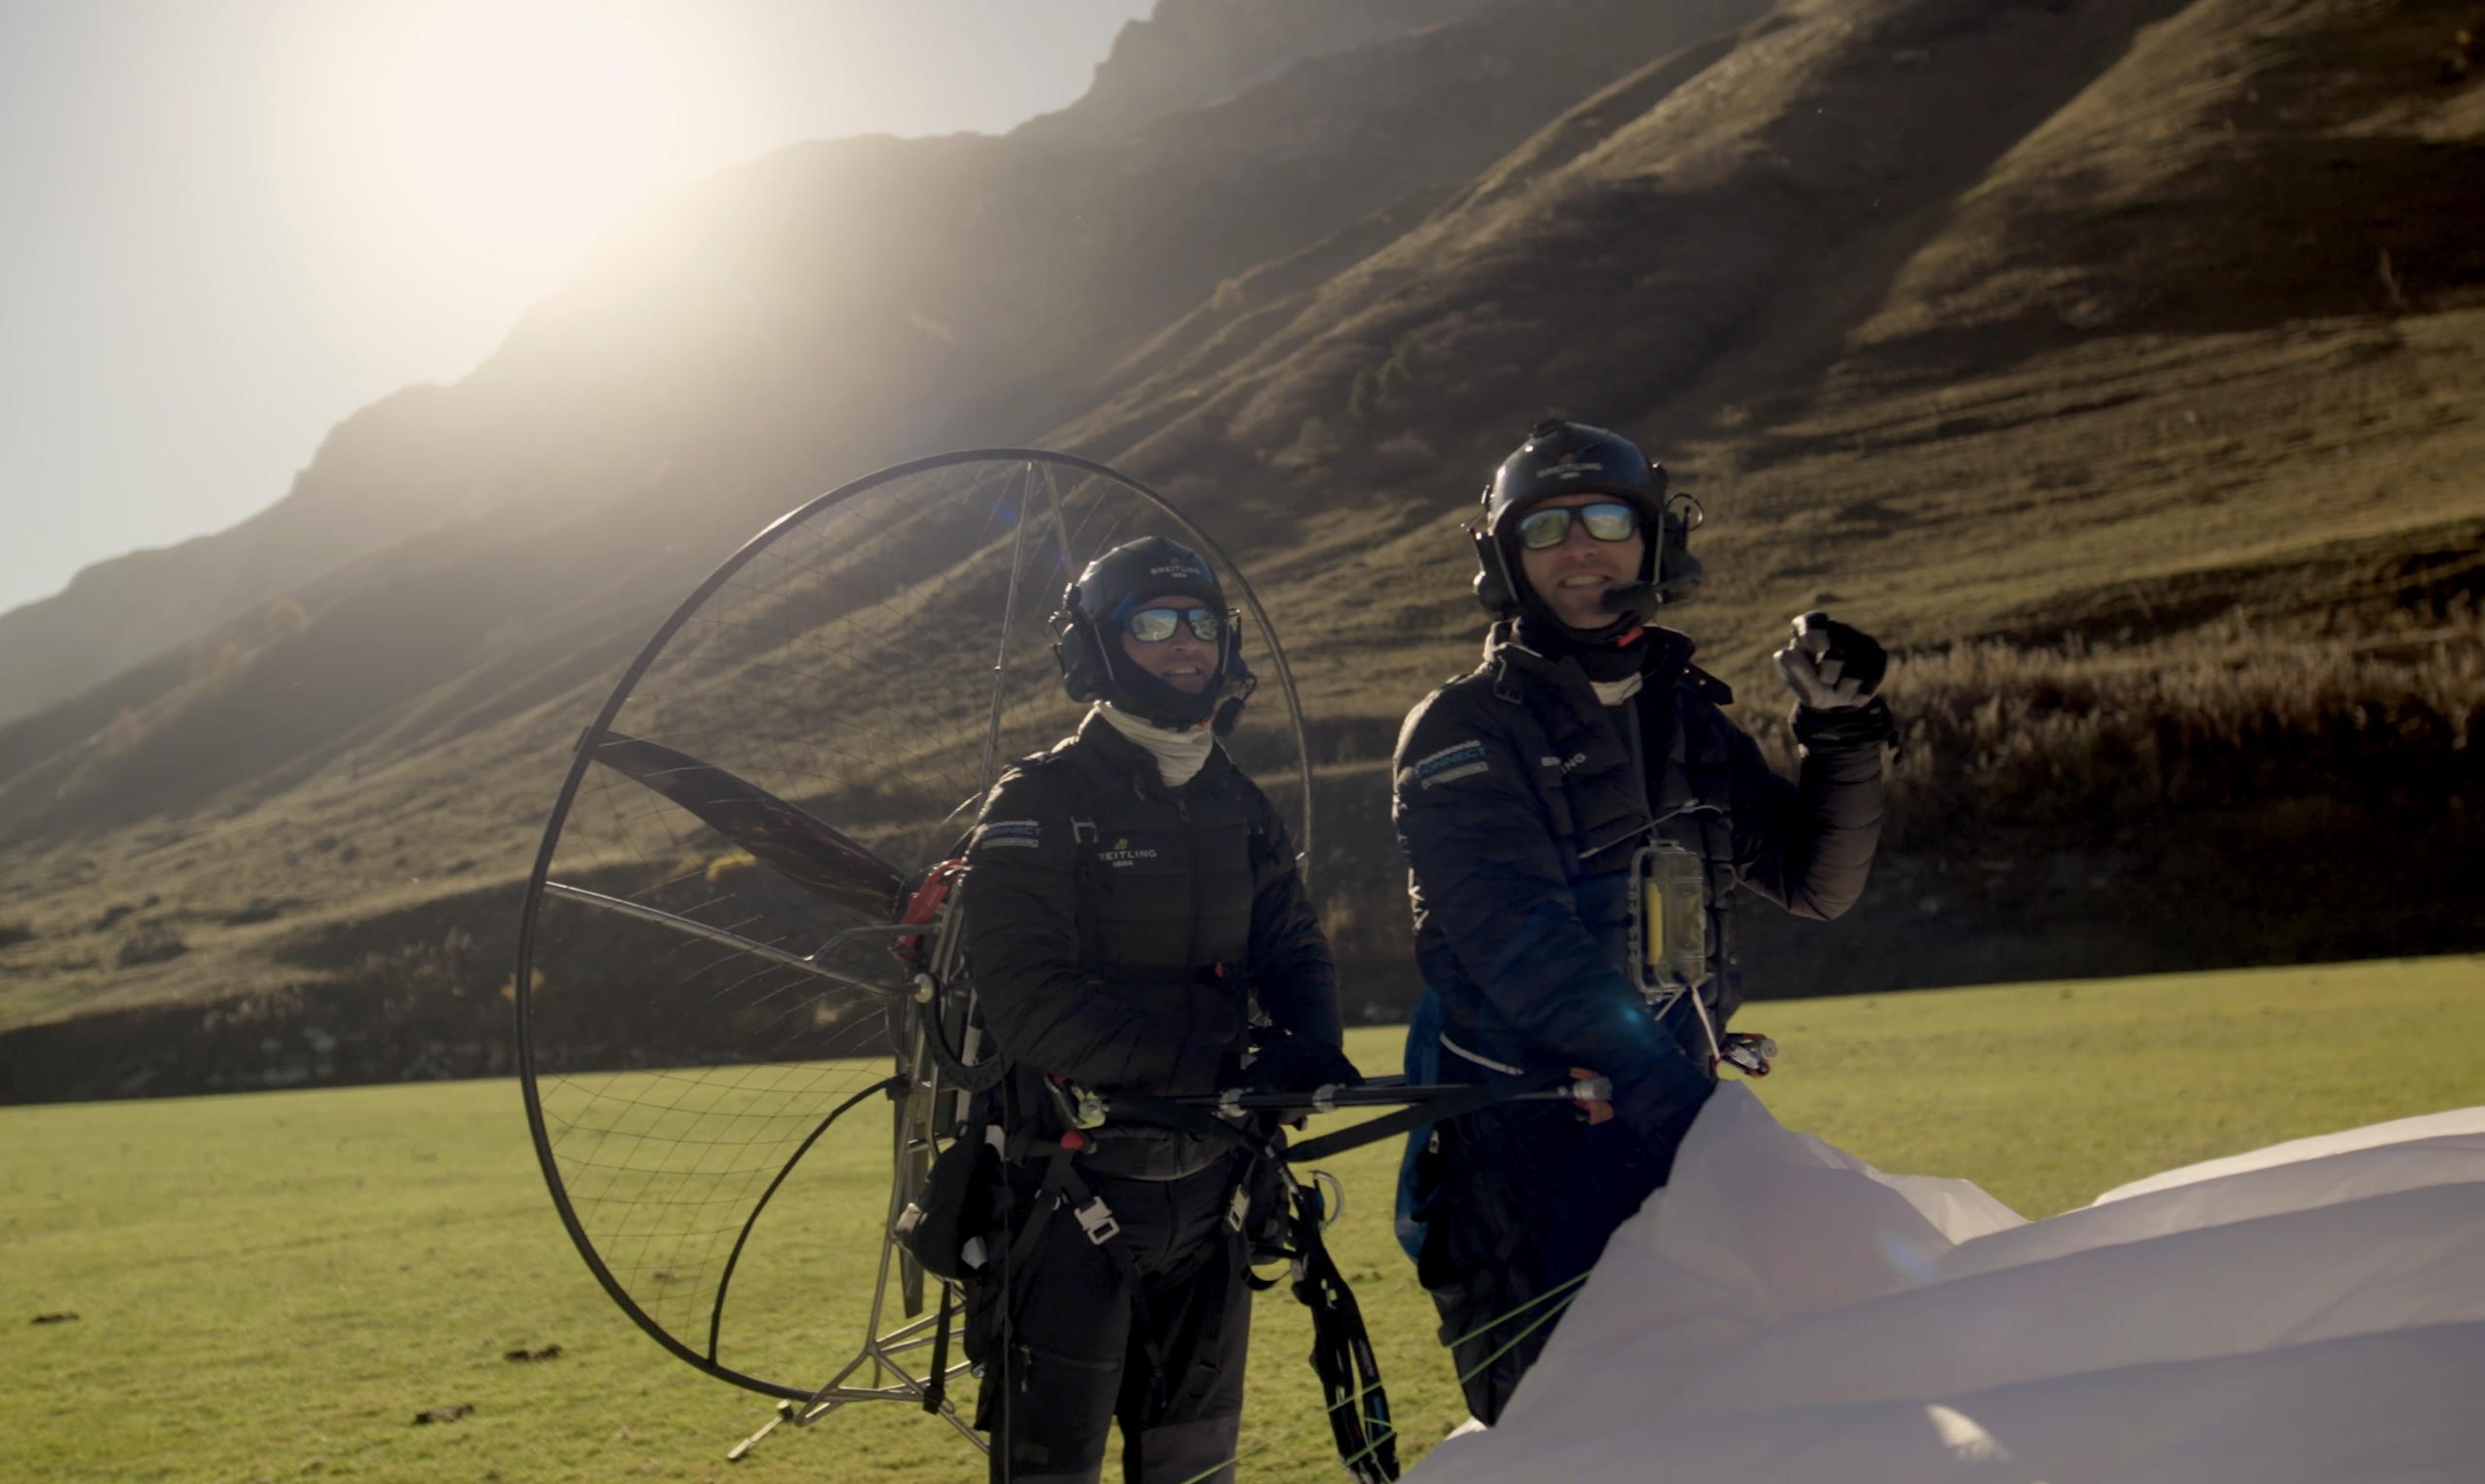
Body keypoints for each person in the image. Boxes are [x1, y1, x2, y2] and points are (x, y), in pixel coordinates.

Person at [1392, 419, 1893, 1425]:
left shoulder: (1685, 721)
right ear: (1503, 559)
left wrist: (1841, 738)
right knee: (1572, 1434)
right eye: (1547, 529)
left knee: (1725, 1422)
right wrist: (1690, 1112)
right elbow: (1521, 947)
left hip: (1675, 1132)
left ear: (1652, 536)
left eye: (1606, 518)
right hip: (1531, 1159)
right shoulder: (1462, 730)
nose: (1581, 548)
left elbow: (1813, 883)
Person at [955, 535, 1355, 1484]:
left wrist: (1313, 1050)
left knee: (1195, 1467)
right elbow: (1029, 1004)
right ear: (1097, 647)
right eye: (1152, 622)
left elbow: (1293, 945)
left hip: (1213, 1202)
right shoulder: (1036, 801)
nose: (1185, 643)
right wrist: (1222, 1072)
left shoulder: (1239, 802)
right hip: (1068, 1204)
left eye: (1201, 622)